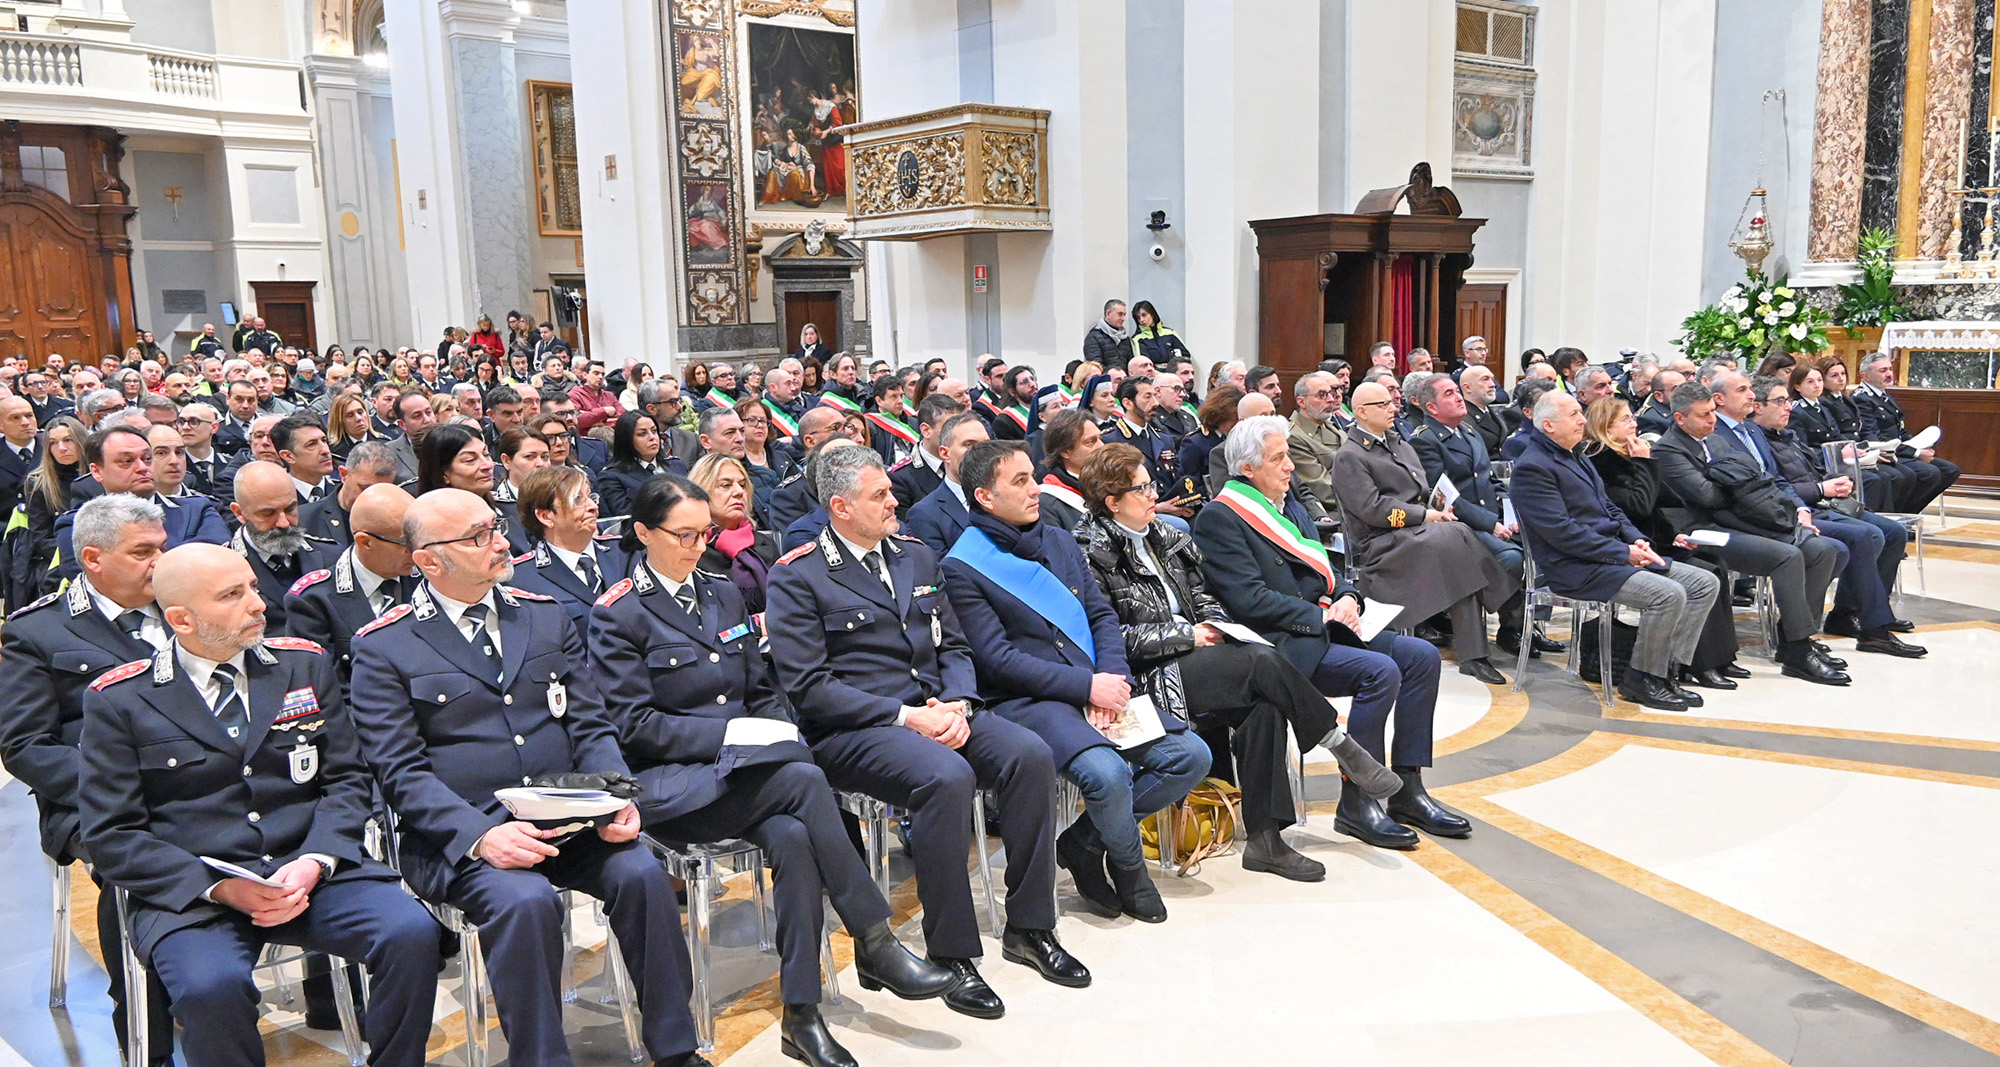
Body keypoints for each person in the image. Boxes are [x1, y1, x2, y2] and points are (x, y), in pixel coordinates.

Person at [591, 474, 954, 1066]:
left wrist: (772, 728)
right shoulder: (619, 613)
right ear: (641, 533)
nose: (696, 545)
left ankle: (801, 1015)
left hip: (747, 775)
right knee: (806, 780)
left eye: (704, 533)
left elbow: (761, 690)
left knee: (793, 834)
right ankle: (874, 937)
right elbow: (633, 727)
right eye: (682, 535)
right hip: (670, 786)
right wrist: (734, 734)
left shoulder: (721, 591)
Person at [350, 489, 710, 1067]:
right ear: (429, 560)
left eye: (494, 527)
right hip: (468, 838)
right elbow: (399, 772)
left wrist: (616, 796)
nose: (499, 542)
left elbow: (591, 724)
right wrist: (479, 835)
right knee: (525, 903)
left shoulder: (541, 614)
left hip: (568, 817)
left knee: (644, 872)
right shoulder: (386, 645)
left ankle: (676, 1049)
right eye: (477, 536)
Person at [78, 542, 442, 1067]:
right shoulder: (120, 700)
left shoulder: (301, 666)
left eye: (252, 586)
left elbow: (347, 780)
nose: (257, 604)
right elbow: (112, 835)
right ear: (180, 618)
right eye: (232, 595)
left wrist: (317, 859)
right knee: (211, 990)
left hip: (310, 869)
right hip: (197, 893)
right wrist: (221, 886)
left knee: (411, 934)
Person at [768, 448, 1086, 1019]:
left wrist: (960, 702)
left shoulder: (916, 556)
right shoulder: (798, 574)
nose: (895, 502)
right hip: (858, 728)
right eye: (879, 496)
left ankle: (1031, 926)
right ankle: (954, 951)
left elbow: (955, 646)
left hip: (940, 707)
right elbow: (810, 687)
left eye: (890, 491)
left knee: (1029, 755)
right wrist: (908, 717)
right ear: (841, 508)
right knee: (946, 777)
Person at [1072, 444, 1398, 881]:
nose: (1154, 494)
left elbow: (1208, 597)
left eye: (1151, 484)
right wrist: (1187, 635)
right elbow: (1107, 637)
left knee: (1263, 703)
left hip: (1202, 658)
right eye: (1142, 488)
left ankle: (1266, 840)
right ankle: (1339, 744)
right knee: (1262, 664)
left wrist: (1218, 628)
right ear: (1112, 502)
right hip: (1145, 676)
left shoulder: (1166, 537)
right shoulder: (1088, 552)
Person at [942, 440, 1209, 922]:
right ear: (985, 497)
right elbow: (997, 660)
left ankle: (1084, 844)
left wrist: (1113, 678)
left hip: (1097, 683)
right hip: (1029, 701)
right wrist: (1085, 688)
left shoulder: (1060, 539)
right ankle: (1130, 869)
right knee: (1107, 775)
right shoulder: (963, 566)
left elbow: (1101, 615)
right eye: (1019, 481)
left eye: (1033, 476)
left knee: (1191, 756)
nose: (1035, 489)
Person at [1193, 416, 1466, 850]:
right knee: (1379, 672)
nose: (1289, 467)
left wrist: (1348, 598)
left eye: (1287, 456)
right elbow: (1249, 601)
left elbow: (1327, 568)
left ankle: (1408, 788)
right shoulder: (1221, 517)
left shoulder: (1286, 502)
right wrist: (1320, 617)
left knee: (1422, 657)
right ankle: (1358, 801)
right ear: (1247, 468)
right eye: (1278, 458)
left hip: (1324, 624)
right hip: (1282, 643)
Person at [0, 496, 178, 1062]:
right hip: (90, 798)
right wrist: (124, 785)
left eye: (163, 548)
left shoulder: (187, 605)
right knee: (137, 864)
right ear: (93, 559)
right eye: (143, 551)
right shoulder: (40, 631)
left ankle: (320, 997)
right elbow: (25, 747)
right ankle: (144, 1031)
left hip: (204, 783)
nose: (160, 562)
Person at [1512, 393, 1723, 710]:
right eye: (1574, 415)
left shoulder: (1575, 454)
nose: (1584, 420)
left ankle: (1666, 670)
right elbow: (1563, 533)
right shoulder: (1533, 468)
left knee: (1704, 583)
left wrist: (1637, 540)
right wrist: (1622, 552)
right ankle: (1641, 678)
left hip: (1609, 555)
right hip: (1575, 567)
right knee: (1668, 595)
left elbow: (1610, 509)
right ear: (1548, 425)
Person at [1651, 381, 1849, 685]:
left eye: (1713, 413)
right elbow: (1707, 498)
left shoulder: (1716, 441)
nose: (1712, 420)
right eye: (1703, 415)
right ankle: (1797, 651)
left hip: (1735, 519)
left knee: (1822, 550)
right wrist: (1738, 485)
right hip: (1699, 530)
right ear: (1680, 418)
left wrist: (1739, 485)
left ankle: (1796, 635)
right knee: (1787, 556)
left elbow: (1756, 479)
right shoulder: (1668, 449)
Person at [1332, 382, 1518, 684]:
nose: (1393, 408)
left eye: (1392, 402)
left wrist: (1439, 508)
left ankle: (1474, 655)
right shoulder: (1351, 456)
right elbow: (1373, 510)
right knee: (1452, 537)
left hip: (1416, 533)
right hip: (1381, 542)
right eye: (1383, 404)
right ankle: (1494, 604)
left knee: (1455, 541)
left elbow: (1423, 489)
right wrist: (1426, 515)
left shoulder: (1399, 444)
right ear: (1361, 412)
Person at [1751, 376, 1923, 657]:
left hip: (1823, 504)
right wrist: (1820, 488)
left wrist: (1836, 482)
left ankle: (1846, 612)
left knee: (1894, 533)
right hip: (1800, 511)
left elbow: (1815, 468)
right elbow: (1773, 488)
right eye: (1780, 402)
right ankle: (1874, 629)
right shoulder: (1757, 441)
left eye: (1788, 402)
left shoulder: (1786, 435)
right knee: (1866, 535)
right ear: (1757, 407)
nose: (1788, 408)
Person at [1582, 398, 1748, 690]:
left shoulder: (1626, 453)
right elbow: (1638, 507)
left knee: (1716, 565)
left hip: (1653, 539)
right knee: (1705, 575)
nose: (1634, 423)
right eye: (1625, 420)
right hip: (1629, 547)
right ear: (1606, 428)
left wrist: (1673, 534)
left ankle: (1719, 656)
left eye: (1633, 417)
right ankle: (1700, 663)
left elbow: (1659, 505)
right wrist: (1645, 463)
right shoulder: (1601, 461)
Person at [1406, 374, 1547, 659]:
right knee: (1510, 558)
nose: (1459, 397)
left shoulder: (1469, 433)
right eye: (1449, 394)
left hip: (1490, 519)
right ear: (1431, 408)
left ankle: (1529, 627)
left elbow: (1489, 482)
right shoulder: (1426, 440)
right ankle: (1512, 627)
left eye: (1457, 392)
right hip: (1458, 527)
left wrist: (1509, 512)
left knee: (1545, 547)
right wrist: (1490, 524)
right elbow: (1443, 498)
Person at [54, 425, 230, 583]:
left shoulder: (198, 509)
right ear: (97, 471)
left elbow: (218, 561)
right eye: (127, 461)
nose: (142, 467)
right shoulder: (76, 524)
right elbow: (95, 581)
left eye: (147, 458)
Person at [287, 482, 417, 692]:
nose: (417, 551)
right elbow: (329, 692)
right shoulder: (314, 600)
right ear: (365, 542)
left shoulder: (430, 578)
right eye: (406, 544)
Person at [509, 464, 630, 628]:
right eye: (577, 500)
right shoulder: (521, 578)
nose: (593, 507)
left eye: (590, 497)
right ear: (545, 516)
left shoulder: (625, 551)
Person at [226, 461, 341, 634]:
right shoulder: (224, 574)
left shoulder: (332, 555)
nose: (284, 523)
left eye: (290, 509)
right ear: (239, 513)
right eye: (267, 513)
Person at [1851, 351, 1960, 511]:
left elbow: (1900, 430)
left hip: (1900, 450)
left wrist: (1918, 448)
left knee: (1949, 470)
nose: (1889, 374)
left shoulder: (1884, 396)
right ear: (1865, 376)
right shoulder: (1862, 399)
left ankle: (1908, 512)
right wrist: (1915, 453)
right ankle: (1899, 515)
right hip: (1885, 454)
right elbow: (1875, 439)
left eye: (1889, 369)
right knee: (1928, 473)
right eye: (1882, 371)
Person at [689, 453, 779, 614]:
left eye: (743, 485)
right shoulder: (691, 549)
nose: (739, 492)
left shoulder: (764, 544)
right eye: (726, 485)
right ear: (701, 491)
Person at [905, 412, 990, 556]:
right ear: (945, 453)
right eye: (969, 445)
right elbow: (941, 573)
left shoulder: (1008, 497)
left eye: (985, 445)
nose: (981, 453)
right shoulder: (924, 515)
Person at [597, 411, 683, 517]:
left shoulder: (677, 465)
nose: (652, 437)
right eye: (642, 434)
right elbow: (625, 517)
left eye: (654, 431)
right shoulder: (612, 476)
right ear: (626, 440)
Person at [1034, 407, 1102, 532]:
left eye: (1099, 438)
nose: (1101, 446)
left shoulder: (1111, 481)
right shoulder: (1047, 502)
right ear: (1065, 451)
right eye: (1090, 442)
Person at [1287, 371, 1344, 503]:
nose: (1330, 399)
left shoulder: (1330, 425)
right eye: (1322, 395)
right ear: (1302, 402)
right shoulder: (1294, 436)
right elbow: (1322, 488)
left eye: (1330, 393)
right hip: (1337, 509)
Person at [1178, 384, 1243, 501]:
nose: (1238, 423)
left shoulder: (1235, 439)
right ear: (1221, 415)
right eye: (1234, 418)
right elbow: (1190, 484)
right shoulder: (1195, 443)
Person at [1460, 366, 1510, 456]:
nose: (1492, 384)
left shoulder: (1493, 413)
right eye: (1485, 379)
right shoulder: (1462, 420)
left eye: (1492, 379)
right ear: (1467, 388)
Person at [1127, 300, 1190, 368]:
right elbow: (1143, 364)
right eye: (1138, 318)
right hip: (1154, 375)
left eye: (1144, 315)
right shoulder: (1137, 339)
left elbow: (1185, 355)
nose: (1141, 320)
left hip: (1175, 373)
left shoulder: (1170, 333)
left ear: (1152, 314)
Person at [1083, 299, 1131, 371]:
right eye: (1120, 314)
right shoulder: (1094, 337)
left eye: (1124, 315)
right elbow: (1096, 366)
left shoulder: (1125, 338)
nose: (1123, 318)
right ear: (1108, 313)